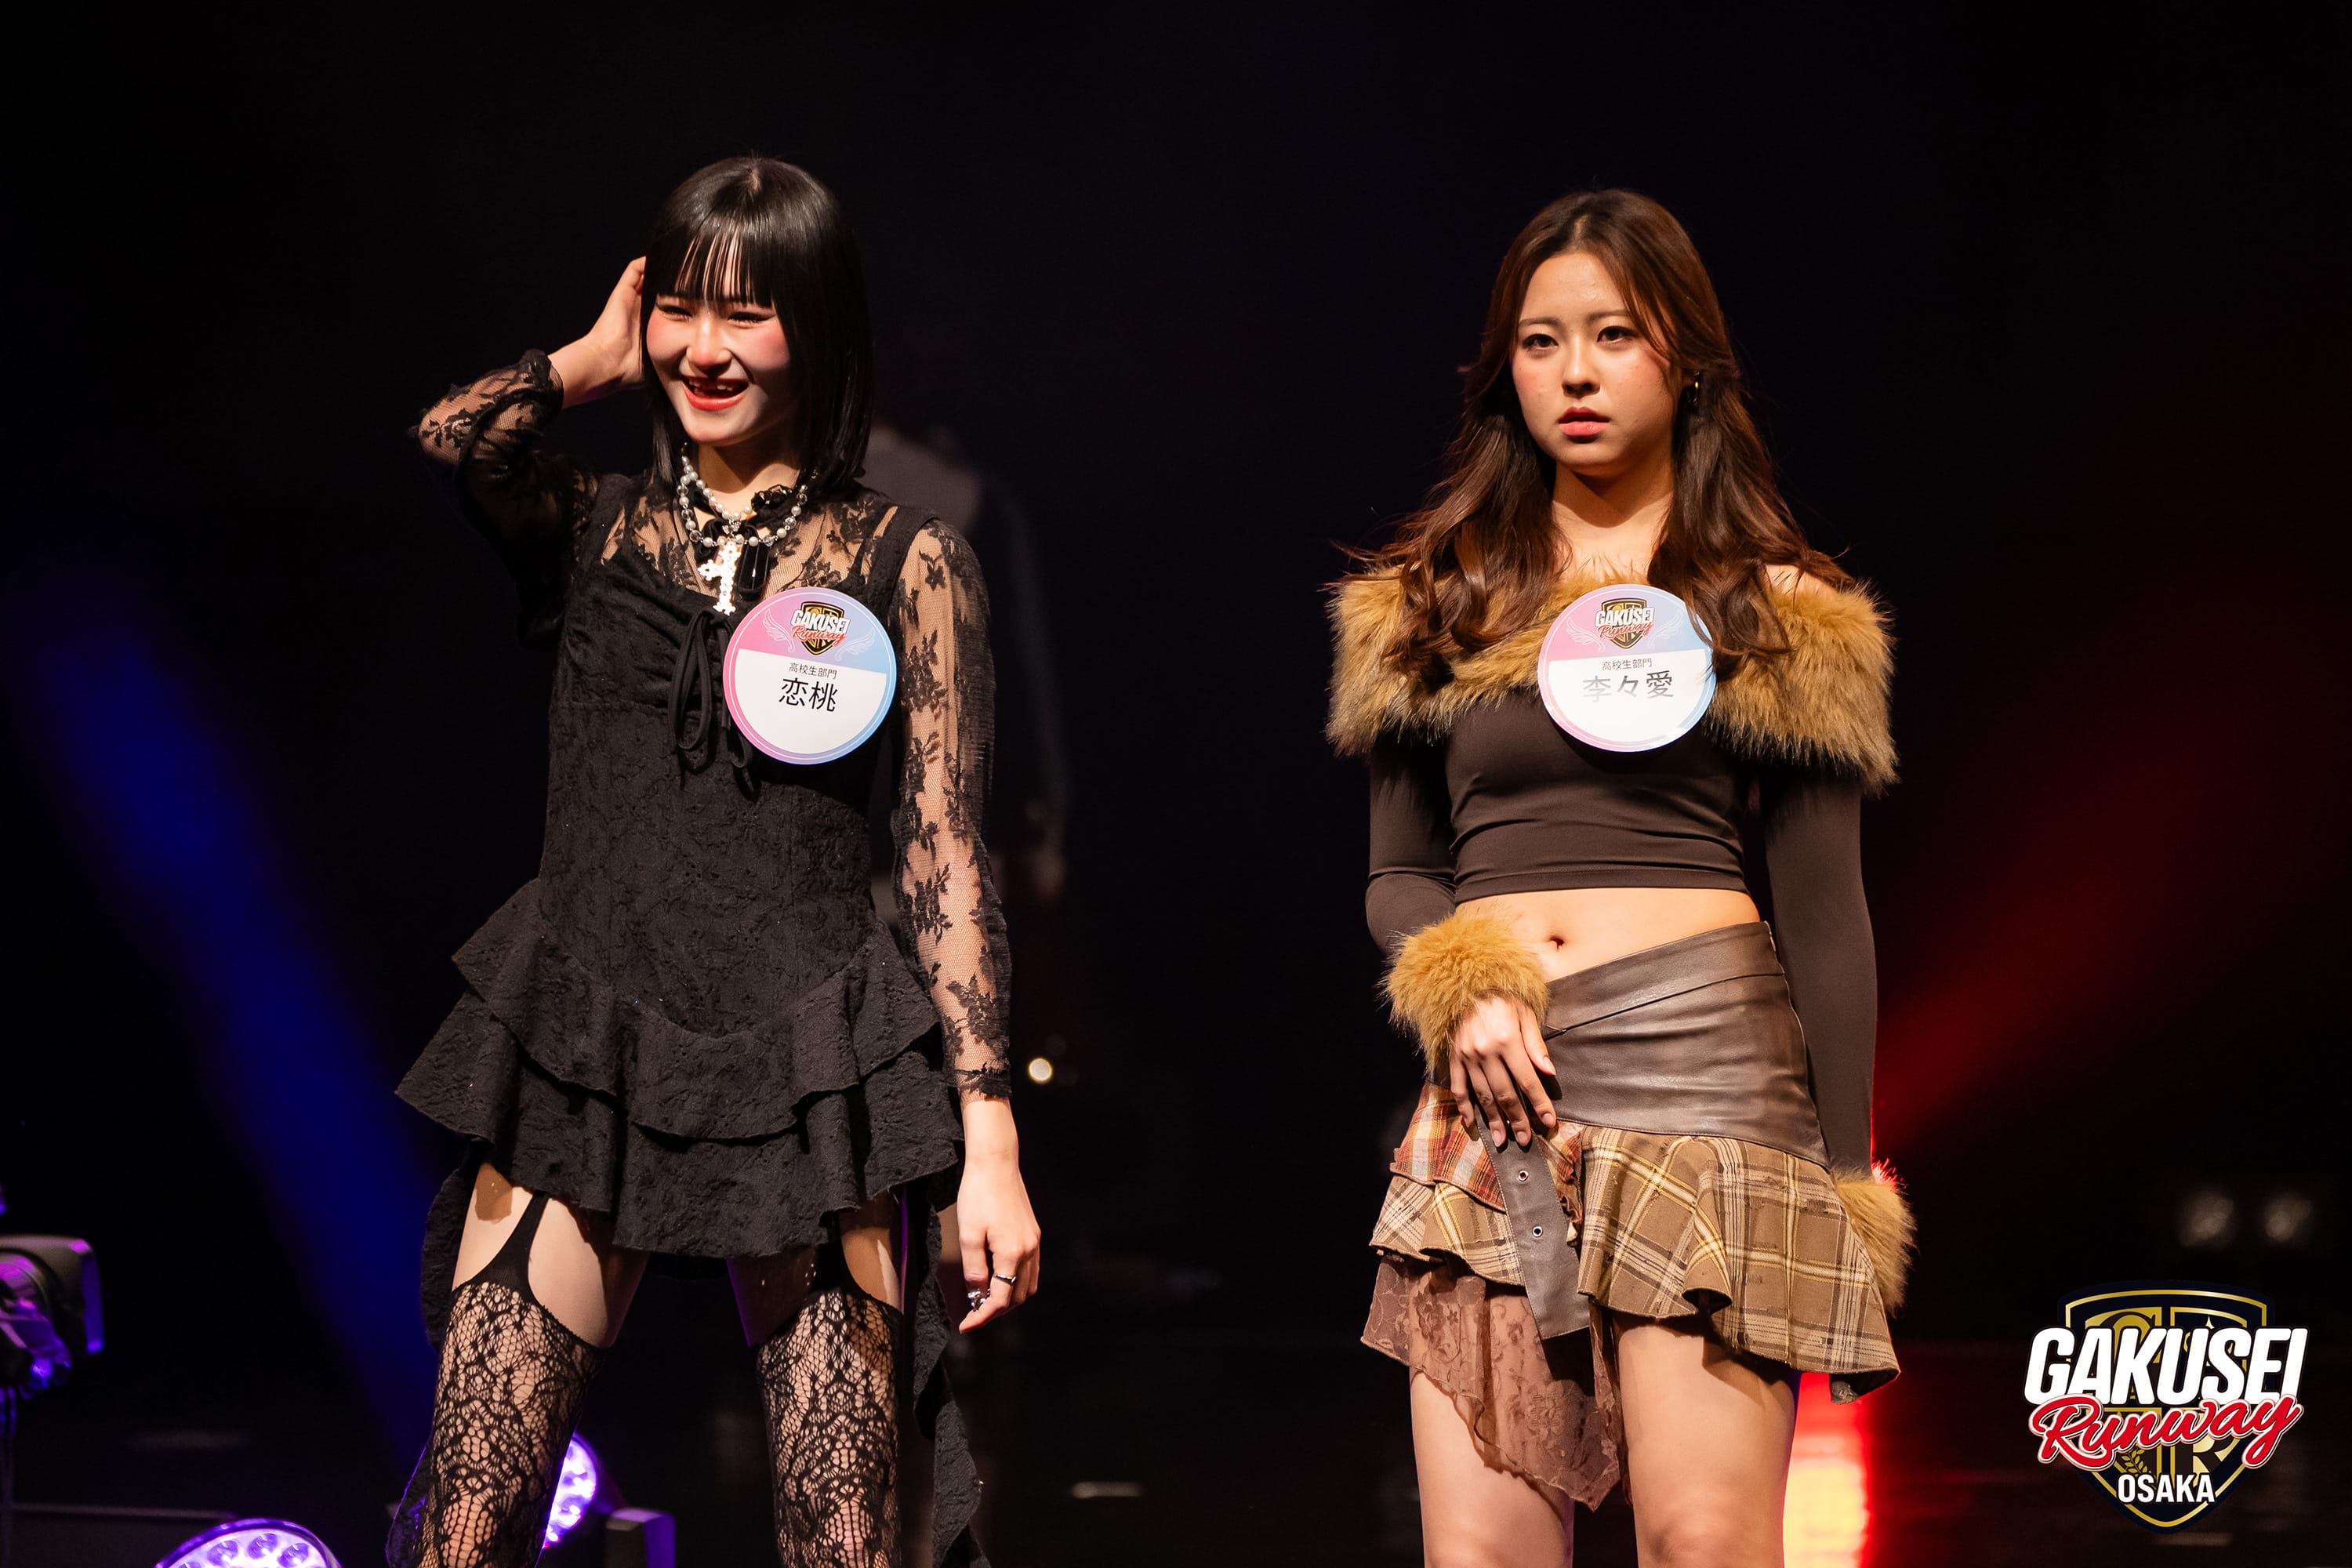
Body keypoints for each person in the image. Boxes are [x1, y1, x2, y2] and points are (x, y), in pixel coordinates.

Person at [388, 156, 1037, 1568]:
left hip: (810, 1061)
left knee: (843, 1538)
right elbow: (458, 439)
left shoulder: (905, 559)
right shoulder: (594, 524)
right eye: (681, 309)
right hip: (586, 1039)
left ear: (819, 323)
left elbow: (944, 851)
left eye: (747, 314)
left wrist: (987, 1140)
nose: (704, 349)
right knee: (471, 1521)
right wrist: (588, 360)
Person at [1330, 189, 1911, 1568]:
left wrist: (1842, 1185)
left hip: (1711, 1079)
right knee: (1483, 1555)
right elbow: (1399, 872)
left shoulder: (1777, 608)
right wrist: (1463, 987)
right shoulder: (1432, 599)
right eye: (1542, 343)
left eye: (1614, 335)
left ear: (1686, 361)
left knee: (1705, 1540)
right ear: (1505, 372)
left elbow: (1826, 916)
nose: (1576, 374)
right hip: (1500, 1084)